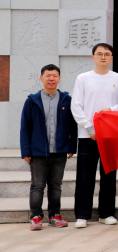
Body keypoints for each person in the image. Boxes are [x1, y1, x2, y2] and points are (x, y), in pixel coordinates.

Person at [71, 43, 118, 228]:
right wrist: (89, 128)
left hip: (110, 135)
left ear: (112, 58)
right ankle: (82, 215)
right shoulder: (83, 78)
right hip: (87, 136)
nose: (103, 57)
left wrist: (111, 109)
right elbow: (76, 106)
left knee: (109, 175)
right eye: (99, 54)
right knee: (84, 176)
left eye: (107, 54)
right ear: (93, 57)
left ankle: (106, 213)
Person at [20, 64, 77, 230]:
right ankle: (36, 216)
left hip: (59, 151)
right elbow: (25, 127)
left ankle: (55, 215)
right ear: (41, 78)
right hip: (38, 151)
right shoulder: (32, 101)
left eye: (55, 76)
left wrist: (72, 146)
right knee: (37, 186)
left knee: (56, 186)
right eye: (48, 75)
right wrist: (25, 151)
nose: (51, 78)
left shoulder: (66, 100)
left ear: (59, 78)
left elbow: (72, 125)